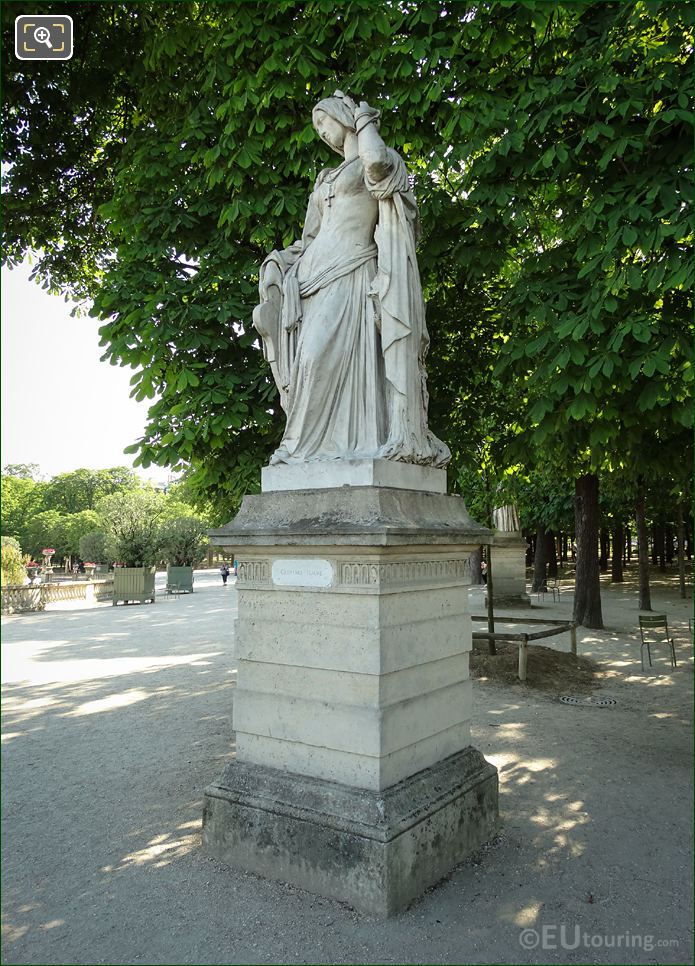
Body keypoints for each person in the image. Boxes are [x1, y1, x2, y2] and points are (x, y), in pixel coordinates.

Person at [253, 90, 450, 468]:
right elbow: (310, 240)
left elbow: (377, 164)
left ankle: (300, 449)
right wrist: (279, 261)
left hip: (352, 273)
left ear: (340, 115)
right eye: (316, 126)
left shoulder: (373, 160)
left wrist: (364, 120)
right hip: (312, 284)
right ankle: (312, 450)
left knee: (313, 358)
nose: (322, 131)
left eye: (323, 120)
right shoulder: (326, 178)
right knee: (308, 364)